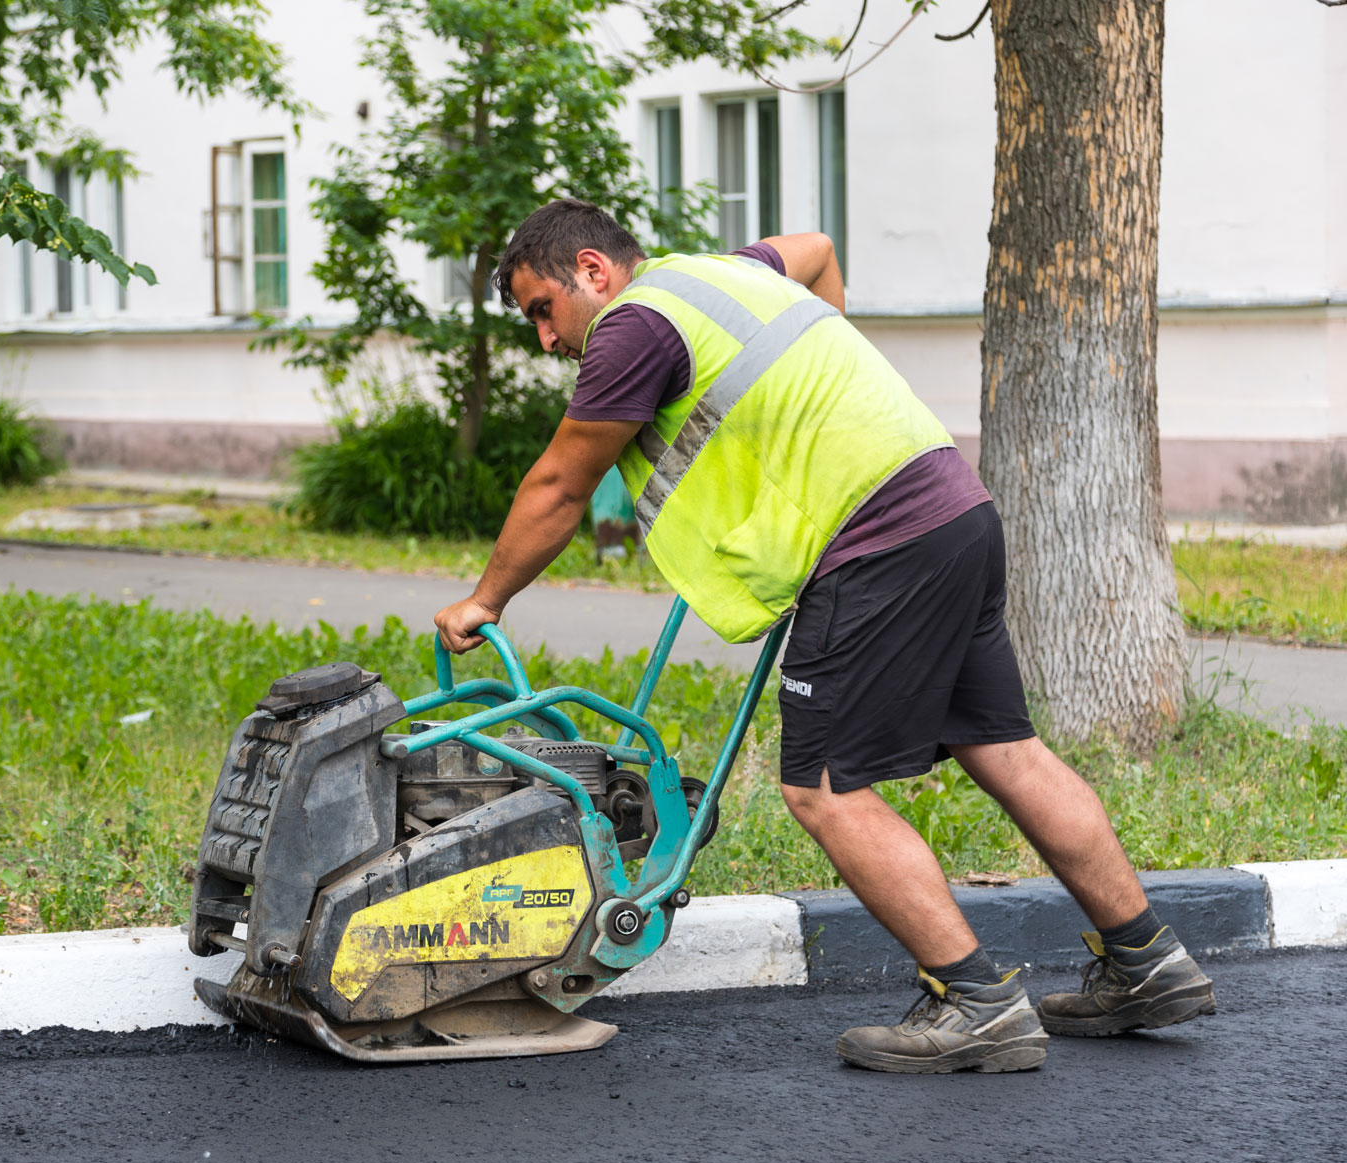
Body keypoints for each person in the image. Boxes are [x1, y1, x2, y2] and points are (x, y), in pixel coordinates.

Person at [433, 198, 1216, 1074]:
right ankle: (1149, 963)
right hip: (950, 508)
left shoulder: (634, 325)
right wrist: (819, 384)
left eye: (543, 309)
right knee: (1005, 749)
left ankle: (978, 1005)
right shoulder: (725, 275)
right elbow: (818, 250)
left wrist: (486, 600)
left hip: (872, 543)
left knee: (824, 791)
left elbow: (559, 486)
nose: (547, 339)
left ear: (591, 269)